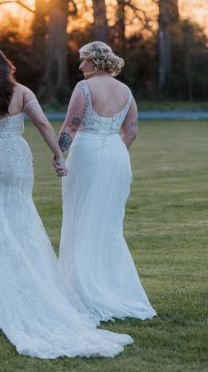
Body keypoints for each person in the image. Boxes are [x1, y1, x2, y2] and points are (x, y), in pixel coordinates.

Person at [0, 47, 133, 359]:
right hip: (16, 160)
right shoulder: (21, 92)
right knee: (21, 217)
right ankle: (14, 281)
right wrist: (58, 155)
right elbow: (45, 125)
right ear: (7, 68)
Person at [57, 41, 156, 323]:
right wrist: (115, 154)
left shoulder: (84, 88)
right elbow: (132, 131)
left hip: (87, 154)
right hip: (116, 156)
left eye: (84, 61)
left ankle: (81, 286)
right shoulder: (126, 91)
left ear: (96, 62)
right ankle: (111, 285)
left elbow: (71, 127)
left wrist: (58, 155)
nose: (80, 66)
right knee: (110, 223)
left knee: (81, 217)